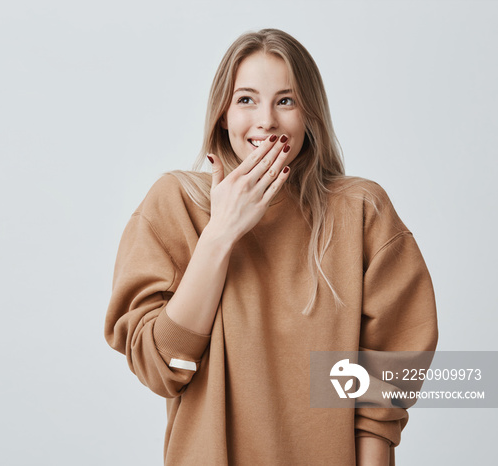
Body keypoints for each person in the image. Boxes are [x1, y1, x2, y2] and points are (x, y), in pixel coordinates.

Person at [104, 28, 438, 466]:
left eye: (286, 100)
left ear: (310, 114)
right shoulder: (175, 203)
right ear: (222, 114)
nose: (266, 121)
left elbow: (386, 384)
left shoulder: (360, 210)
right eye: (246, 100)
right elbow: (161, 366)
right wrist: (221, 233)